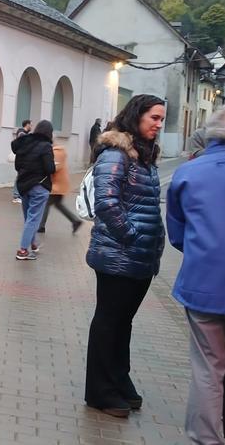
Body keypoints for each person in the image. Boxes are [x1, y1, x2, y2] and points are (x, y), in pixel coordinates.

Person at [167, 103, 225, 443]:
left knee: (207, 370)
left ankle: (206, 439)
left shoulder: (188, 173)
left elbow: (177, 233)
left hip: (203, 287)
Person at [84, 94, 166, 417]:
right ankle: (100, 392)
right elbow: (107, 203)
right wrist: (132, 236)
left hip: (140, 258)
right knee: (108, 322)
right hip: (117, 256)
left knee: (123, 323)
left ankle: (119, 380)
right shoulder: (117, 155)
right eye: (154, 118)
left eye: (161, 119)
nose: (158, 125)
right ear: (137, 116)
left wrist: (152, 242)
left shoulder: (145, 155)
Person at [11, 120, 54, 260]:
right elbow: (50, 168)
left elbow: (17, 166)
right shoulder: (46, 146)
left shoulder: (25, 143)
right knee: (33, 218)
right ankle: (23, 250)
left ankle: (33, 244)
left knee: (29, 218)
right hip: (39, 186)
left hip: (23, 185)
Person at [37, 143, 82, 234]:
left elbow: (54, 168)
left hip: (57, 184)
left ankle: (41, 226)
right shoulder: (57, 151)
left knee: (46, 203)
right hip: (59, 184)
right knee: (58, 205)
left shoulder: (57, 153)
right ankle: (75, 221)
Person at [11, 119, 32, 203]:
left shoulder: (24, 134)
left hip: (22, 160)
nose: (31, 126)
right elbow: (23, 147)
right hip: (22, 160)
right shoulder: (22, 134)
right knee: (20, 177)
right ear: (27, 125)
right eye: (31, 124)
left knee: (22, 177)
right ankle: (16, 196)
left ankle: (19, 195)